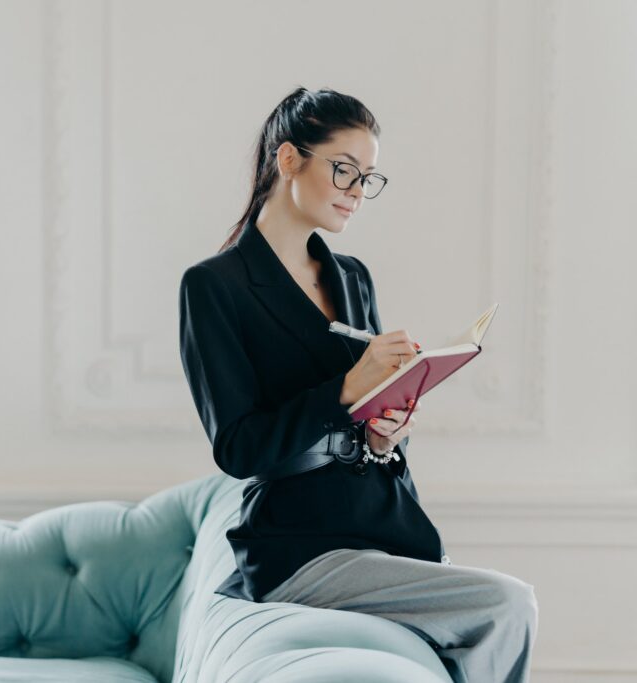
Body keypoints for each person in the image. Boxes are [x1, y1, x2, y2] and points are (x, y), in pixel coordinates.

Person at [177, 86, 538, 682]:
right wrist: (345, 392)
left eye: (368, 177)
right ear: (289, 160)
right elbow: (239, 449)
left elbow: (363, 414)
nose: (356, 192)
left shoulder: (352, 277)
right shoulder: (215, 286)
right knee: (508, 604)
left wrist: (385, 429)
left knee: (495, 613)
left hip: (382, 520)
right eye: (345, 170)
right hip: (298, 541)